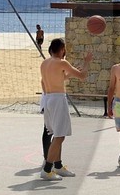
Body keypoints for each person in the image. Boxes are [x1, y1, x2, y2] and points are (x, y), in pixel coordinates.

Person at [39, 37, 92, 181]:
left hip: (48, 99)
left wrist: (69, 75)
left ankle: (58, 165)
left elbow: (52, 80)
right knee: (59, 136)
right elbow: (82, 76)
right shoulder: (62, 62)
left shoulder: (45, 63)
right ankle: (47, 169)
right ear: (62, 49)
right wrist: (86, 62)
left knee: (56, 133)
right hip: (57, 100)